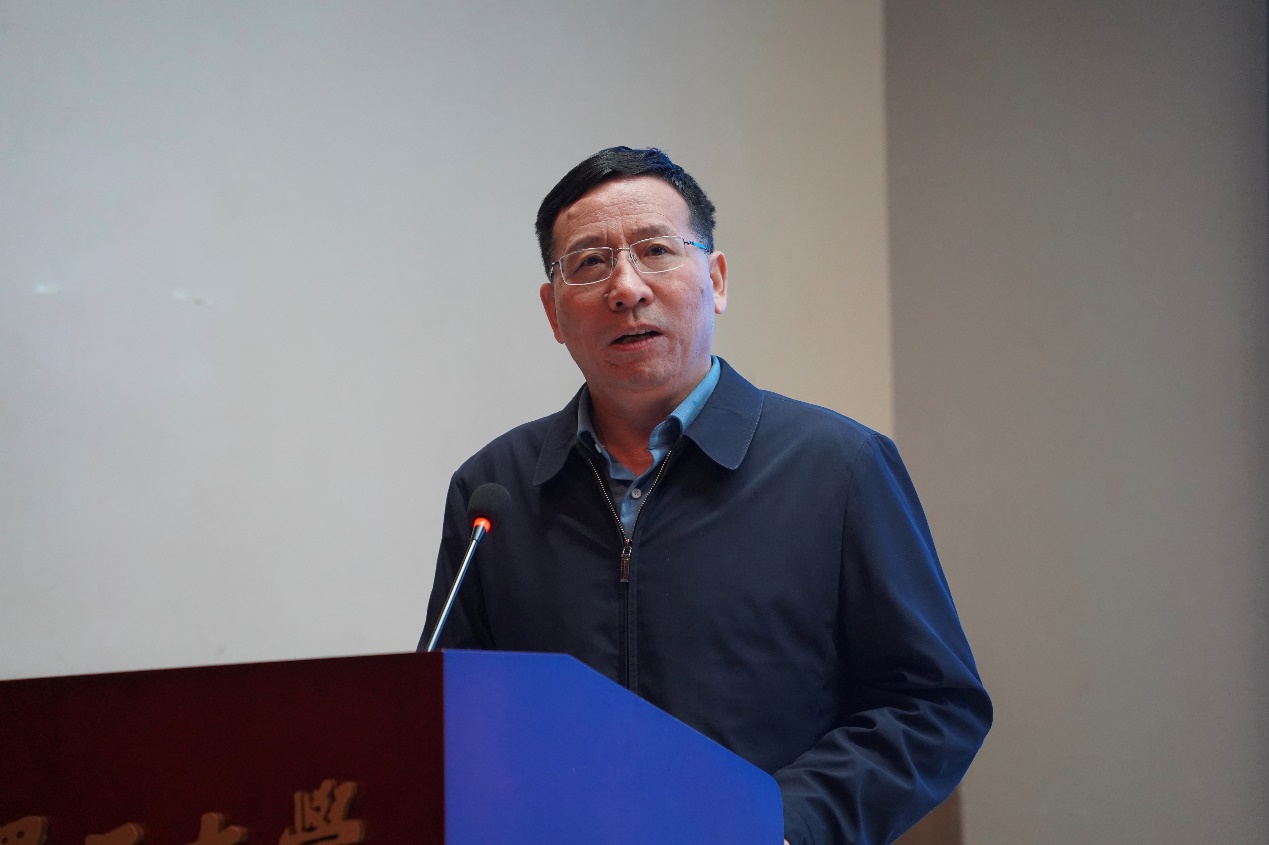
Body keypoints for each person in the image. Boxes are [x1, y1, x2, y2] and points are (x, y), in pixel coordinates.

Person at [421, 147, 992, 845]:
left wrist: (781, 822)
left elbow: (932, 705)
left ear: (715, 280)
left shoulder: (838, 467)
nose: (626, 288)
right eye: (590, 262)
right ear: (553, 311)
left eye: (656, 251)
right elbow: (453, 718)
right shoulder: (494, 490)